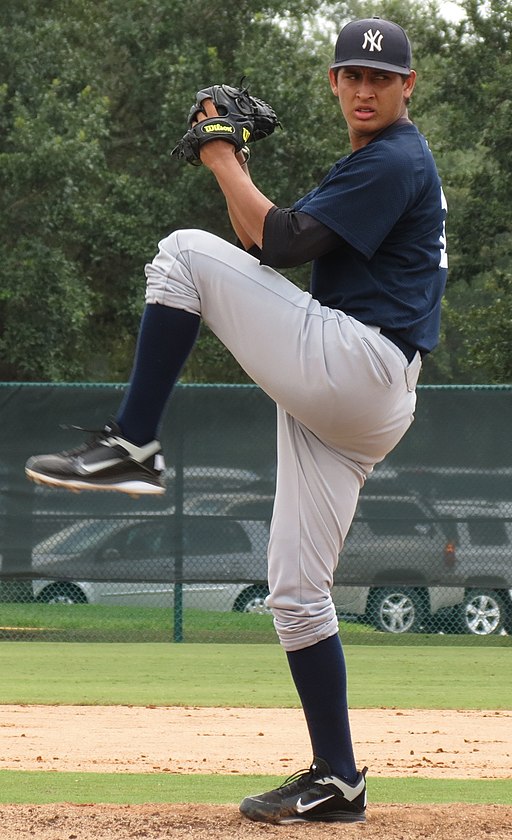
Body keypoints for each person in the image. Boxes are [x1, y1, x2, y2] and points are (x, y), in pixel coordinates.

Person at [25, 17, 447, 824]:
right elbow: (267, 240)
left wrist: (219, 150)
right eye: (351, 75)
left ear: (407, 87)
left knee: (181, 253)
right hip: (359, 392)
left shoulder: (396, 156)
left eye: (380, 78)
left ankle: (132, 444)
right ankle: (338, 780)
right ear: (333, 83)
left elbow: (279, 242)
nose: (364, 88)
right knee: (294, 593)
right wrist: (236, 162)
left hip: (358, 365)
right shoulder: (373, 161)